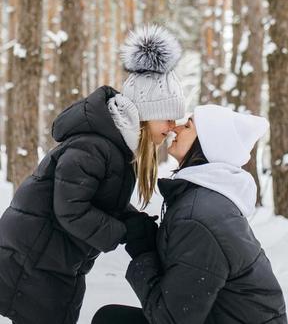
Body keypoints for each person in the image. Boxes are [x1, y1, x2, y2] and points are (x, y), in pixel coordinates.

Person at [0, 24, 185, 324]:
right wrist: (123, 232)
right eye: (167, 117)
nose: (172, 126)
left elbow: (96, 199)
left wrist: (131, 219)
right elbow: (70, 209)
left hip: (55, 258)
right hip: (33, 259)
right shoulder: (94, 146)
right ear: (147, 114)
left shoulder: (113, 146)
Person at [93, 104, 288, 324]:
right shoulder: (204, 200)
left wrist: (143, 252)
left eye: (188, 126)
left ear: (208, 143)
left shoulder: (200, 217)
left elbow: (169, 319)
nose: (175, 128)